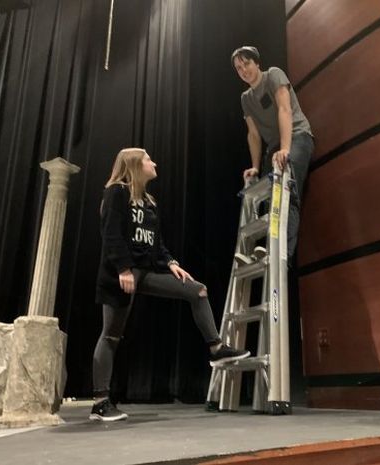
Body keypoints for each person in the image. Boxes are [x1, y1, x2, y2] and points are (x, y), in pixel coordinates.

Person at [90, 147, 250, 422]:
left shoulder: (150, 201)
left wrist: (171, 262)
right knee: (111, 335)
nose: (155, 162)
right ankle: (100, 402)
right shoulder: (117, 192)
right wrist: (124, 268)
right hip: (122, 272)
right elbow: (111, 234)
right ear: (135, 165)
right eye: (149, 159)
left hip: (148, 270)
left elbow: (156, 242)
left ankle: (216, 348)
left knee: (197, 290)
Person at [231, 46, 314, 262]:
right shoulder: (245, 98)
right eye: (239, 68)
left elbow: (284, 110)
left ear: (257, 63)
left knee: (287, 187)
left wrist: (286, 148)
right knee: (268, 197)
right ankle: (266, 249)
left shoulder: (274, 75)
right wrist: (256, 167)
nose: (243, 70)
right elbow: (254, 134)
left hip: (297, 135)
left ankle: (282, 254)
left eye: (246, 63)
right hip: (274, 146)